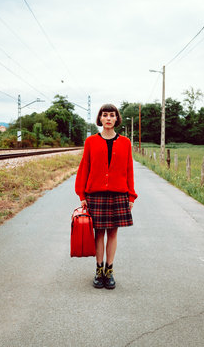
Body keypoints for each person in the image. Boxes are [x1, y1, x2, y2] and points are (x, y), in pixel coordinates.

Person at [75, 104, 137, 289]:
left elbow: (129, 170)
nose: (108, 118)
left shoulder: (125, 142)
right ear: (100, 119)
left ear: (117, 119)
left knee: (113, 232)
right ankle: (98, 270)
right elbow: (84, 167)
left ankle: (109, 271)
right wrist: (82, 194)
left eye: (112, 115)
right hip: (96, 194)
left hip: (119, 194)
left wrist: (131, 196)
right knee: (99, 232)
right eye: (105, 115)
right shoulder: (91, 142)